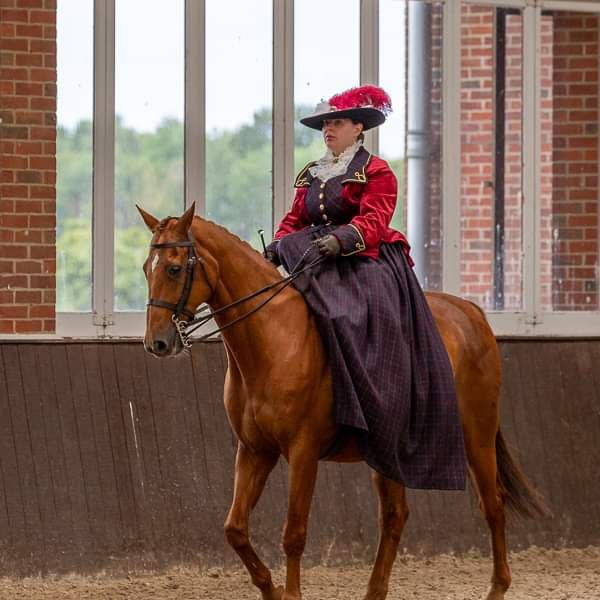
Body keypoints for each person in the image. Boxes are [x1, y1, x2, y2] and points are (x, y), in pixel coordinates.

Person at [265, 85, 466, 490]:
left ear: (359, 128)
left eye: (336, 123)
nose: (328, 130)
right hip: (317, 257)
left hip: (365, 258)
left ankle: (375, 399)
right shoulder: (311, 173)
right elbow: (294, 220)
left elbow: (375, 220)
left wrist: (341, 240)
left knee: (346, 313)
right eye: (325, 124)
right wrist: (278, 243)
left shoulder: (376, 171)